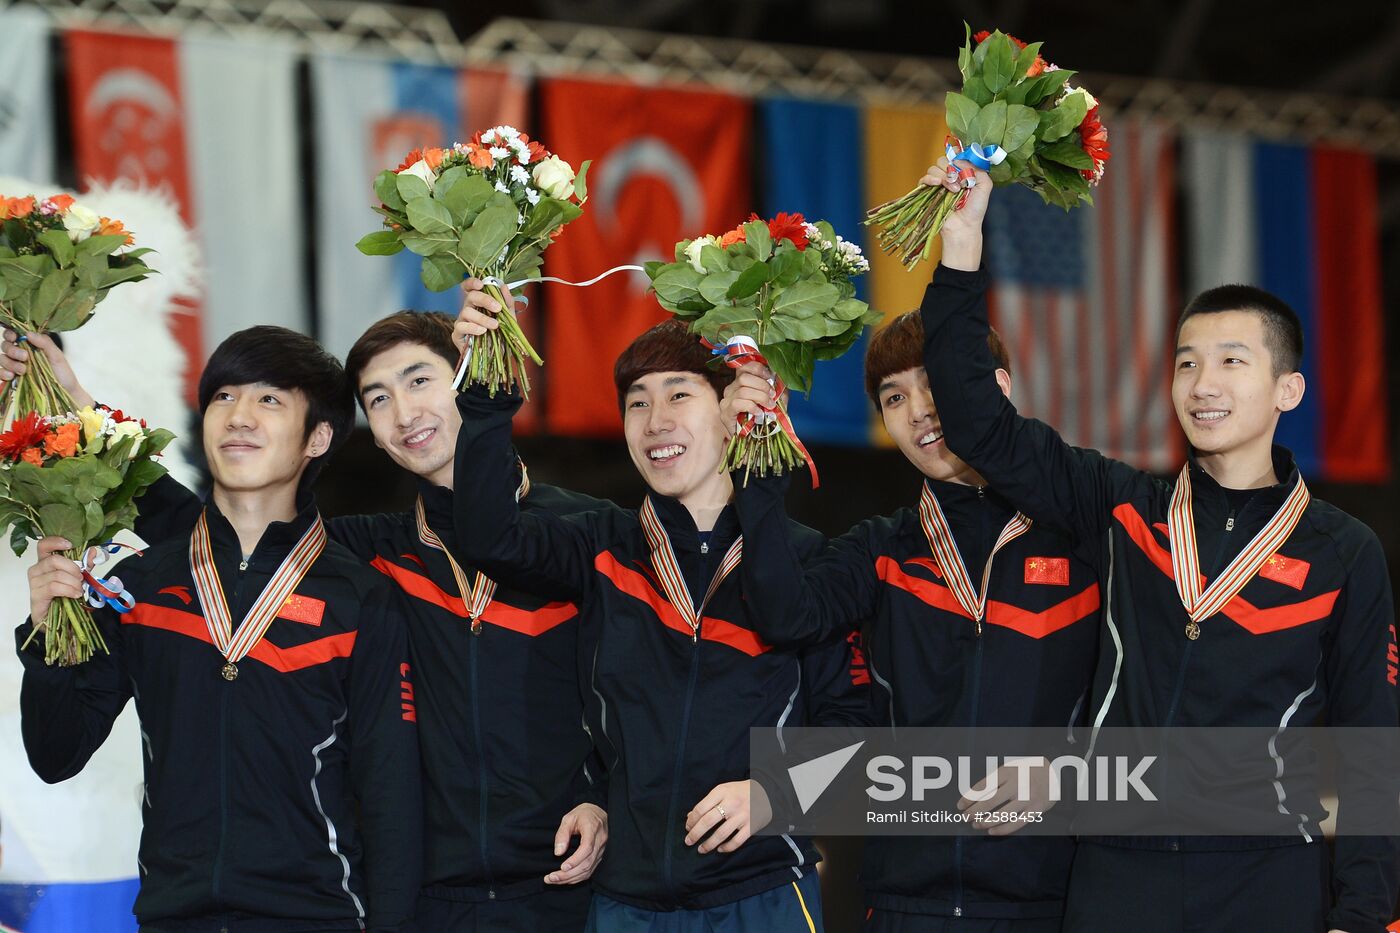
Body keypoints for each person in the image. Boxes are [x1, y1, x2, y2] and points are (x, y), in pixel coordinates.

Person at [3, 297, 611, 932]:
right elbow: (220, 531)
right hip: (428, 897)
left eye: (419, 381)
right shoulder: (370, 557)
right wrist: (79, 412)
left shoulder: (585, 535)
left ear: (473, 379)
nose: (404, 413)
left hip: (564, 886)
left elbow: (642, 679)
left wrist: (604, 797)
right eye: (377, 399)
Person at [918, 162, 1399, 933]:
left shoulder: (1344, 550)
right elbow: (979, 425)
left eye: (1232, 361)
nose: (1202, 383)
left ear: (1288, 389)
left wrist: (1364, 914)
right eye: (1186, 362)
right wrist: (963, 244)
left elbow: (1374, 744)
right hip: (1118, 876)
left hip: (1267, 880)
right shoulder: (1122, 506)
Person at [449, 306, 874, 932]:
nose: (655, 421)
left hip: (762, 895)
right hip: (627, 900)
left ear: (736, 409)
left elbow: (854, 733)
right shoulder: (600, 547)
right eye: (637, 403)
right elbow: (489, 536)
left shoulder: (807, 564)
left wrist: (773, 794)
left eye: (679, 394)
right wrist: (486, 395)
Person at [15, 326, 421, 931]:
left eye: (269, 399)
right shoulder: (141, 585)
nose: (239, 417)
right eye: (224, 396)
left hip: (316, 917)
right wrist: (49, 639)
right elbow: (55, 754)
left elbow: (393, 796)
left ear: (318, 437)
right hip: (173, 916)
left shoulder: (361, 597)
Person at [723, 312, 1099, 931]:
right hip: (905, 900)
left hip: (1052, 901)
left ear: (997, 388)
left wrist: (1069, 775)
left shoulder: (1087, 539)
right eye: (894, 398)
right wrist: (759, 463)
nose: (920, 410)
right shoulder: (884, 550)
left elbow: (1148, 701)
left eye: (935, 384)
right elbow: (784, 615)